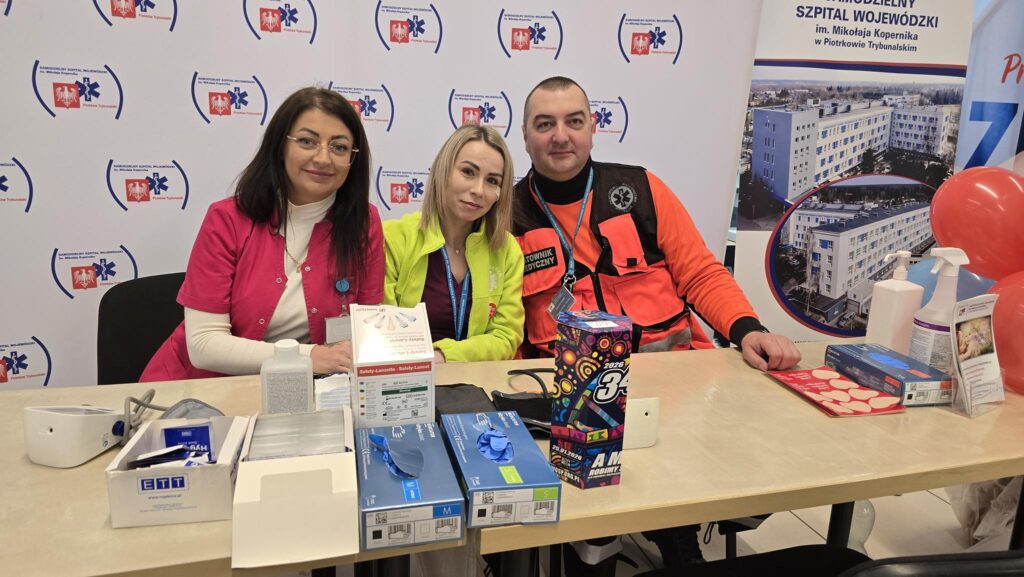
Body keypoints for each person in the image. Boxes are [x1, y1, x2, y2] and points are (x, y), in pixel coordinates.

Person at [513, 76, 802, 573]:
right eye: (544, 124)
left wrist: (747, 329)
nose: (560, 136)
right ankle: (595, 551)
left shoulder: (640, 190)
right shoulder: (508, 214)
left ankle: (678, 537)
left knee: (770, 457)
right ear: (525, 135)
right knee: (588, 535)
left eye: (573, 121)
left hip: (677, 393)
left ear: (592, 128)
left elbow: (701, 272)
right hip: (575, 405)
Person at [141, 87, 383, 381]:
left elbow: (365, 326)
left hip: (303, 388)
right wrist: (311, 357)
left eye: (339, 147)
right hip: (202, 386)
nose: (323, 158)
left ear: (353, 159)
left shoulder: (363, 222)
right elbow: (204, 345)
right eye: (307, 141)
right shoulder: (227, 219)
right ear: (280, 146)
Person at [383, 125, 524, 362]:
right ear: (443, 171)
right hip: (407, 378)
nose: (478, 190)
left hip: (478, 382)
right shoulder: (393, 238)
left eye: (492, 181)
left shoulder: (507, 249)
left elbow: (506, 337)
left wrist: (443, 357)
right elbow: (381, 330)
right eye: (468, 172)